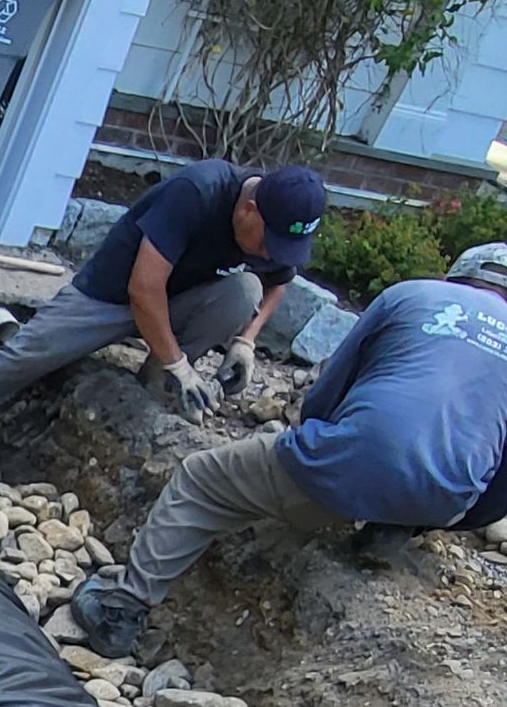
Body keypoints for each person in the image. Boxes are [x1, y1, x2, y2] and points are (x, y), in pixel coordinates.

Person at [68, 243, 507, 656]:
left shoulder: (413, 295)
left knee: (200, 480)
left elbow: (328, 393)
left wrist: (309, 454)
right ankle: (393, 523)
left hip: (352, 457)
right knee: (422, 472)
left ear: (459, 277)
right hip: (445, 496)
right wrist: (438, 516)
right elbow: (501, 491)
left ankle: (121, 609)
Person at [0, 159, 329, 440]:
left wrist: (247, 341)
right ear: (249, 209)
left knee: (245, 290)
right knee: (23, 357)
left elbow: (278, 281)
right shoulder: (198, 192)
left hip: (176, 304)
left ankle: (151, 387)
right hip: (108, 297)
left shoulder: (269, 231)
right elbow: (143, 289)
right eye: (269, 242)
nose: (271, 254)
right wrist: (179, 365)